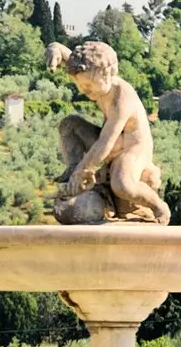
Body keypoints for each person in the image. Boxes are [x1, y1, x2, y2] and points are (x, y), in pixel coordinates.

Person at [46, 40, 169, 225]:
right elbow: (67, 55)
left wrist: (84, 169)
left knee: (122, 186)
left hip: (131, 149)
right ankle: (73, 169)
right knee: (69, 125)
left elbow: (105, 143)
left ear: (109, 74)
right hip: (110, 141)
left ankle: (158, 206)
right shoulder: (93, 75)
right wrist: (54, 48)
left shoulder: (122, 97)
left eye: (88, 86)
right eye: (80, 85)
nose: (83, 91)